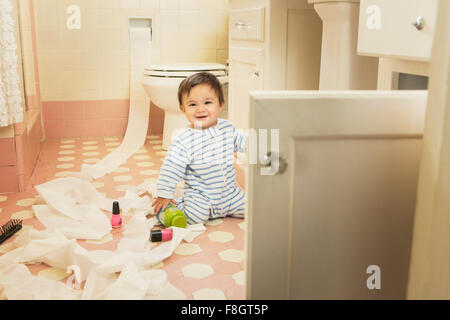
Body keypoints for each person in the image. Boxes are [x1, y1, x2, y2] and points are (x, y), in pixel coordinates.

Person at [151, 72, 247, 225]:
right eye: (192, 104)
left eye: (208, 102)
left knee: (253, 209)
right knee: (194, 218)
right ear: (183, 109)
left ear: (220, 104)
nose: (200, 109)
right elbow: (171, 168)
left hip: (230, 195)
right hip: (201, 197)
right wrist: (164, 193)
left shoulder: (227, 128)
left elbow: (243, 140)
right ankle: (172, 207)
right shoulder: (185, 139)